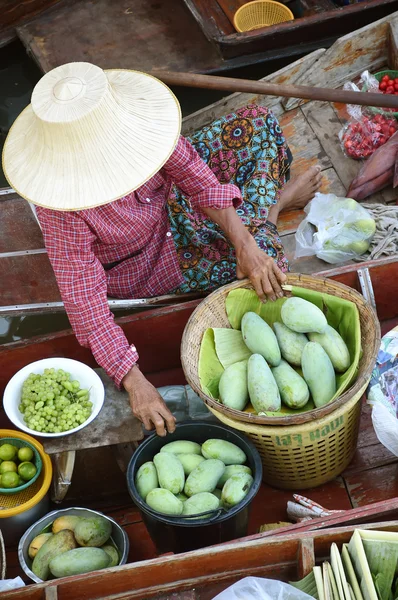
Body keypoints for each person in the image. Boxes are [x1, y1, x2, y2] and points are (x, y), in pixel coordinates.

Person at [3, 62, 322, 437]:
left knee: (257, 123)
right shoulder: (63, 209)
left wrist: (245, 245)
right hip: (150, 263)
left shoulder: (143, 131)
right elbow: (86, 307)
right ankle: (273, 207)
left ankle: (258, 219)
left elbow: (197, 180)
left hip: (173, 201)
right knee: (272, 272)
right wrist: (134, 382)